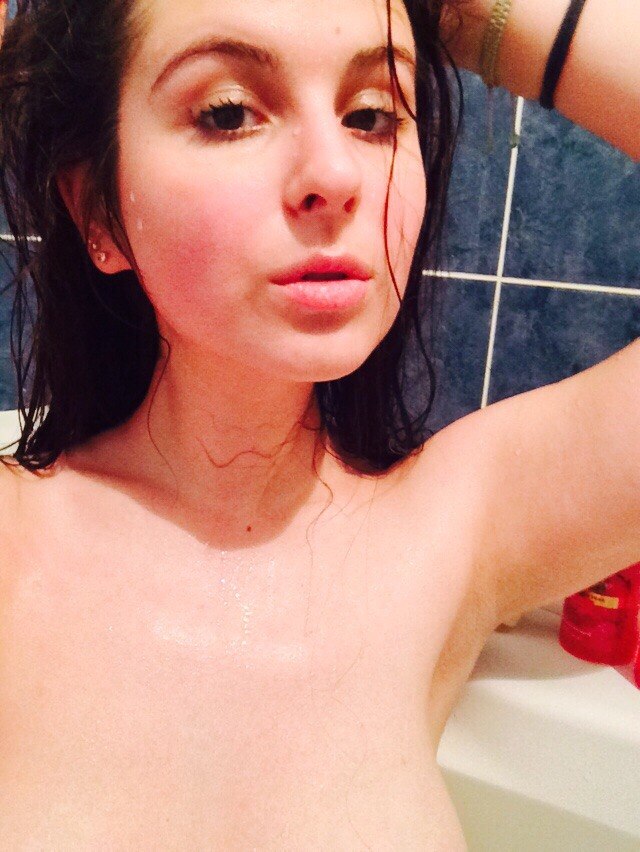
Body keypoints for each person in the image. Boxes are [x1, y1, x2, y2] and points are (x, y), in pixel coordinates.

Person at [0, 0, 637, 847]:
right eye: (229, 112)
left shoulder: (459, 530)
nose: (335, 174)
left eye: (372, 115)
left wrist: (471, 15)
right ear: (97, 213)